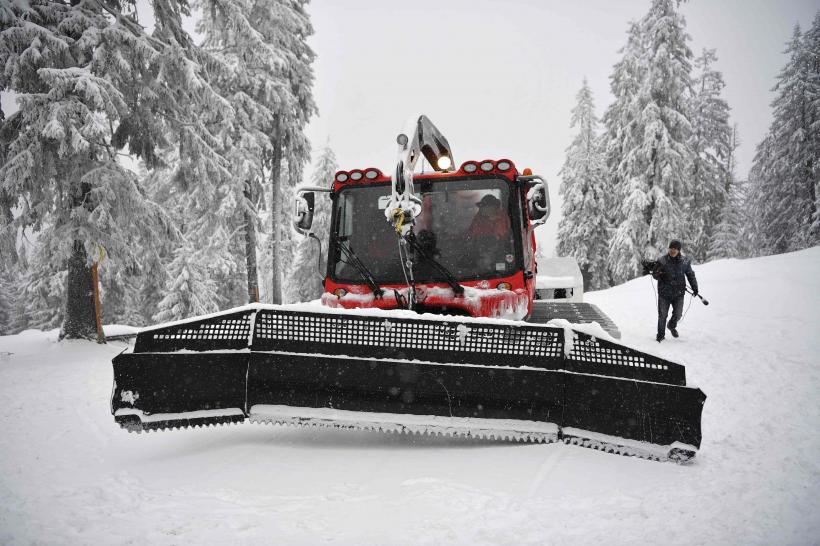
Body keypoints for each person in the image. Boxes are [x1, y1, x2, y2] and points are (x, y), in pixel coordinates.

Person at [652, 240, 698, 342]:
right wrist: (659, 274)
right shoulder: (662, 260)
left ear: (678, 250)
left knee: (678, 314)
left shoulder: (684, 261)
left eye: (675, 249)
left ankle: (671, 325)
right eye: (671, 248)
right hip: (664, 293)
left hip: (679, 294)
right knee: (662, 315)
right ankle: (660, 336)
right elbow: (654, 275)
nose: (672, 250)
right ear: (669, 249)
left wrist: (695, 287)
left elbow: (690, 275)